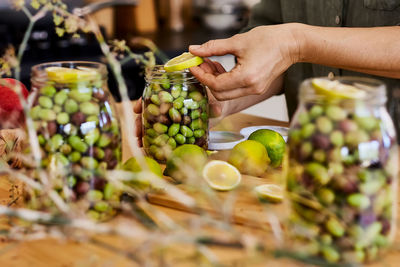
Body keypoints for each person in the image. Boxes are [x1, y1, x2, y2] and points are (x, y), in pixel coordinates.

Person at [135, 0, 400, 143]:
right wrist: (220, 96)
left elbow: (289, 45)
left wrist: (296, 42)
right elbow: (273, 43)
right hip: (306, 157)